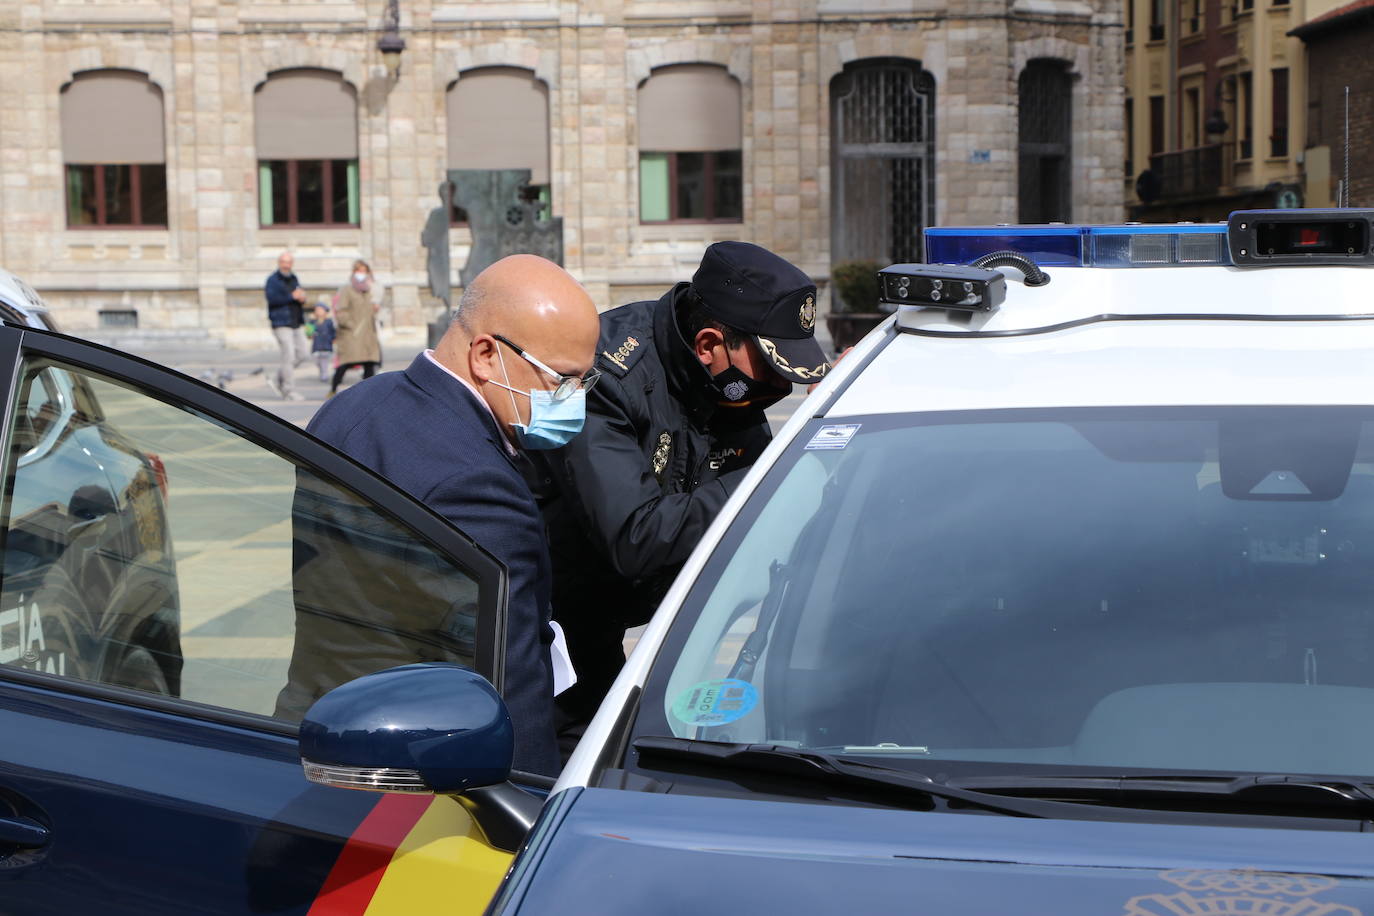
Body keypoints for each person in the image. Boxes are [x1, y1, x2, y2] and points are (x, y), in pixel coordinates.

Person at [303, 254, 600, 776]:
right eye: (562, 381)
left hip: (321, 715)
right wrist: (531, 801)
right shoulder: (476, 484)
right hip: (419, 762)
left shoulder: (352, 408)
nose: (573, 400)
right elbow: (508, 683)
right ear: (486, 355)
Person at [533, 241, 831, 755]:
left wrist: (829, 425)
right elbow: (638, 537)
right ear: (710, 344)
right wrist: (789, 465)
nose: (780, 386)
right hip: (548, 634)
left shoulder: (726, 385)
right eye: (773, 368)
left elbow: (763, 521)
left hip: (651, 626)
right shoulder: (602, 378)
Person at [330, 259, 382, 396]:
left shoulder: (369, 289)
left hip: (367, 333)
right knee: (345, 363)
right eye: (359, 271)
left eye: (364, 271)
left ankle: (367, 393)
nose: (362, 274)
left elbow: (375, 305)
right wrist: (350, 324)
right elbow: (341, 310)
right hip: (352, 333)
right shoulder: (347, 289)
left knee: (369, 363)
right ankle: (333, 389)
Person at [264, 252, 309, 401]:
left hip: (296, 321)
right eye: (283, 262)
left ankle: (278, 379)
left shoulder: (294, 278)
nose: (286, 265)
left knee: (303, 353)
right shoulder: (273, 280)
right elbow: (272, 298)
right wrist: (292, 297)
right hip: (281, 322)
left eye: (289, 262)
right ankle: (288, 390)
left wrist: (302, 297)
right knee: (288, 356)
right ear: (279, 263)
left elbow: (298, 294)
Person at [307, 302, 335, 383]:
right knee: (317, 361)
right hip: (316, 346)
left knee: (324, 361)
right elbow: (309, 332)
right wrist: (309, 333)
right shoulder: (312, 321)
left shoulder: (329, 321)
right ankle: (322, 371)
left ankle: (324, 375)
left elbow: (333, 331)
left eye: (320, 310)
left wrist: (333, 338)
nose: (318, 312)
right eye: (316, 310)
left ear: (325, 311)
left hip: (326, 345)